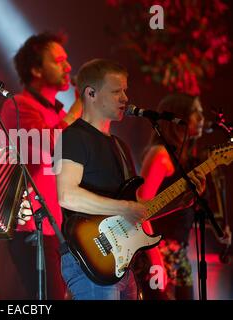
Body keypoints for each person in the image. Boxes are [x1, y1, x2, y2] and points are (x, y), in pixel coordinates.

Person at [55, 59, 206, 300]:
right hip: (91, 262)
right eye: (116, 91)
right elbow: (67, 195)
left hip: (124, 264)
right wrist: (123, 207)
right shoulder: (73, 137)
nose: (125, 98)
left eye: (125, 90)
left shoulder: (120, 147)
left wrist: (180, 202)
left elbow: (138, 211)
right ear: (91, 93)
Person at [0, 32, 82, 299]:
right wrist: (79, 107)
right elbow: (52, 145)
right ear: (36, 69)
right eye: (59, 61)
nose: (68, 67)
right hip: (32, 225)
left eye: (67, 60)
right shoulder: (18, 105)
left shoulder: (57, 113)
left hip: (59, 226)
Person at [137, 93, 231, 300]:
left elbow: (186, 211)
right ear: (178, 118)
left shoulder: (186, 159)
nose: (202, 119)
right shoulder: (160, 154)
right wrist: (154, 257)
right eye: (195, 113)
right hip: (158, 251)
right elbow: (140, 210)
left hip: (180, 254)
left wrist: (218, 229)